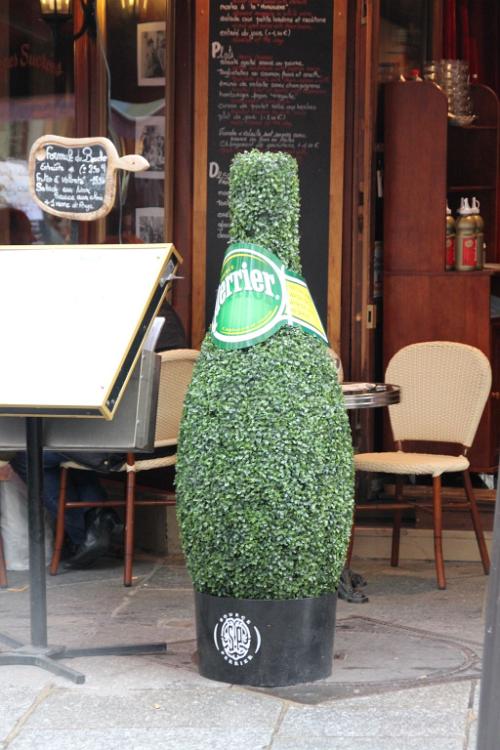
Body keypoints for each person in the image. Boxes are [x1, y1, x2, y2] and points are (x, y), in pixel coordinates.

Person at [11, 301, 187, 568]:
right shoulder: (170, 320)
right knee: (76, 453)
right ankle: (99, 521)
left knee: (27, 454)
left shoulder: (120, 317)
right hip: (170, 439)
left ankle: (88, 531)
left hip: (122, 441)